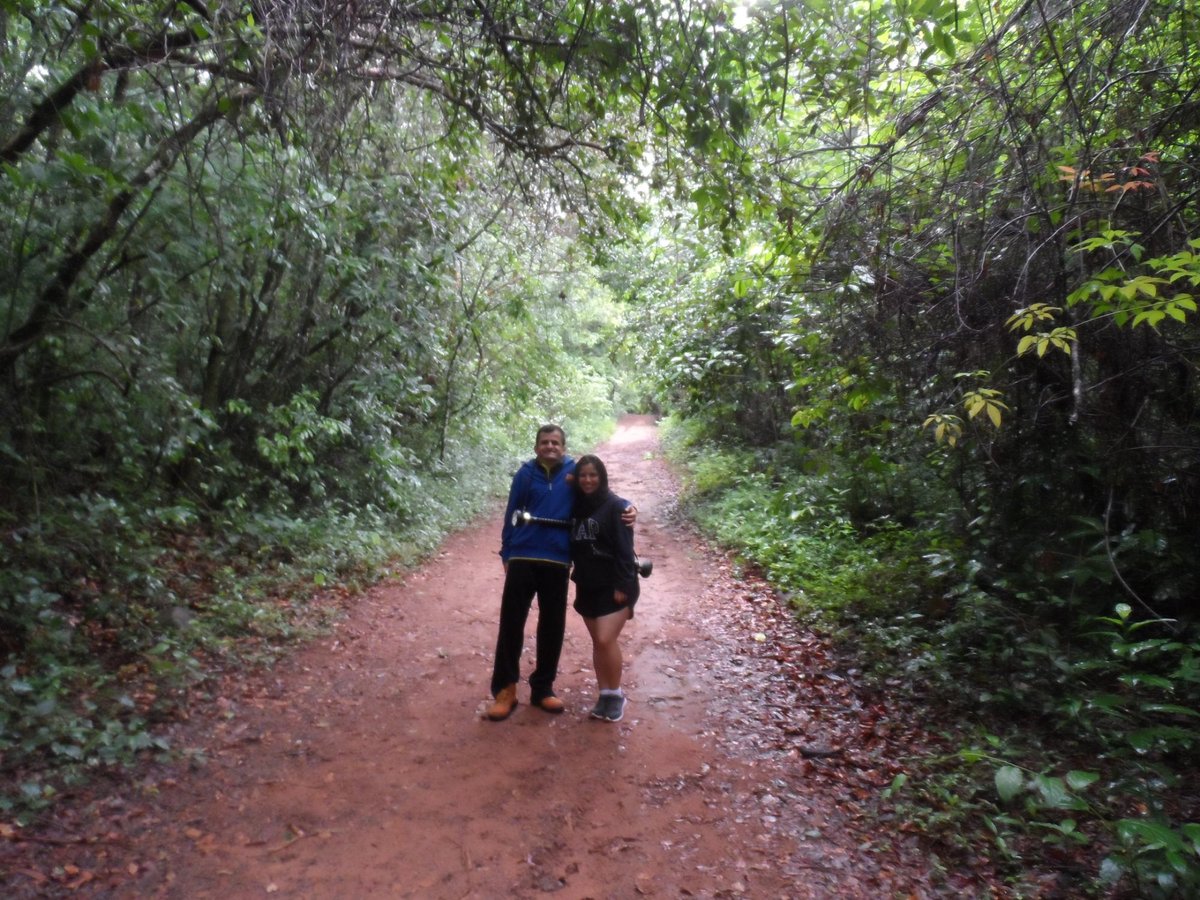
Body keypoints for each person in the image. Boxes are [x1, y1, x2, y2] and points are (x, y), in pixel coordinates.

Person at [487, 425, 635, 721]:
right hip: (523, 555)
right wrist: (506, 551)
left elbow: (601, 495)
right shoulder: (525, 474)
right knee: (511, 623)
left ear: (564, 447)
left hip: (558, 560)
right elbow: (511, 513)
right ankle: (505, 689)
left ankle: (543, 688)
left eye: (555, 442)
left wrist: (629, 507)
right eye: (544, 442)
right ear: (536, 446)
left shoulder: (573, 473)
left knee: (552, 625)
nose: (550, 446)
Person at [568, 454, 639, 723]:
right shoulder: (575, 506)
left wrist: (622, 584)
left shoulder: (617, 506)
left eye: (593, 475)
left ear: (603, 477)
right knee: (598, 642)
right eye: (583, 475)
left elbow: (625, 549)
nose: (588, 480)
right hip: (587, 583)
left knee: (606, 638)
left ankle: (616, 693)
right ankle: (605, 694)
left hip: (615, 584)